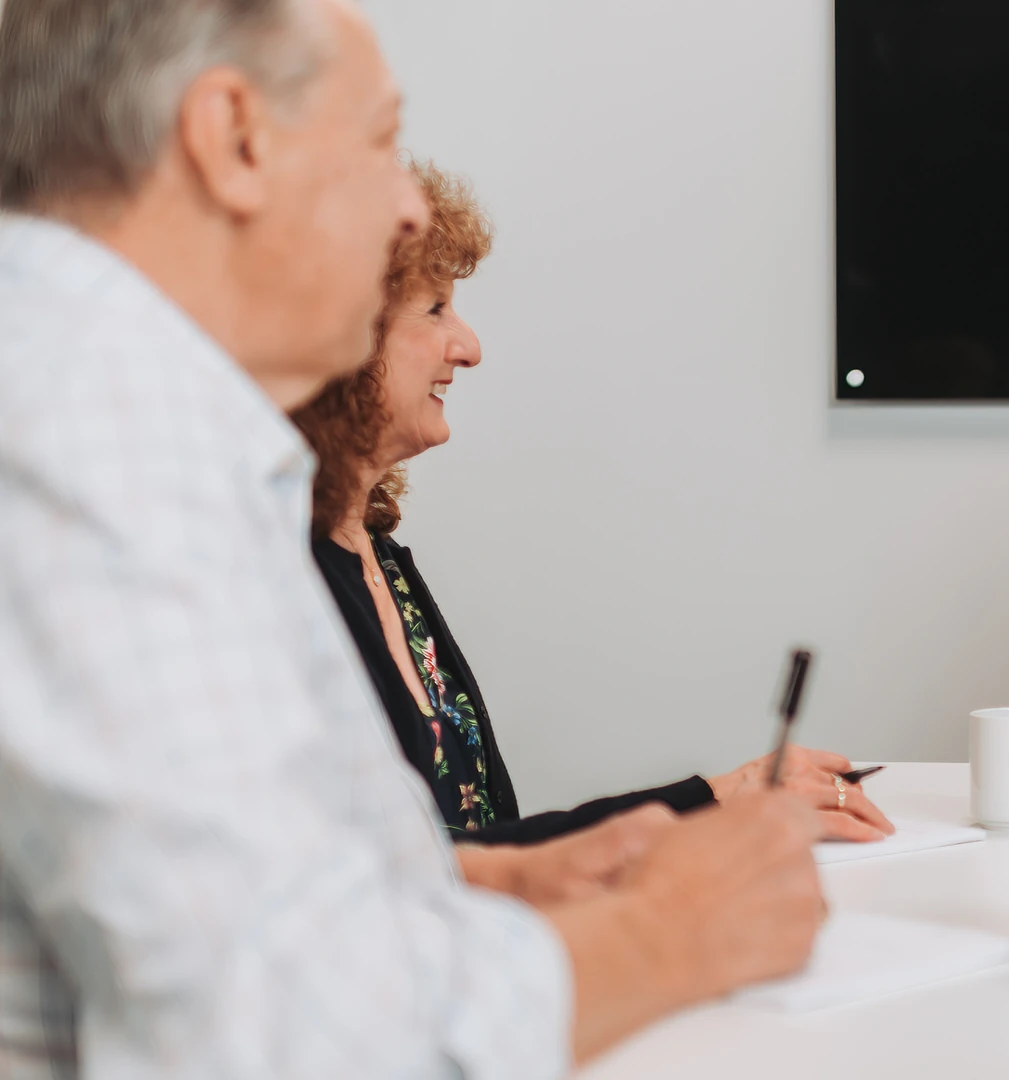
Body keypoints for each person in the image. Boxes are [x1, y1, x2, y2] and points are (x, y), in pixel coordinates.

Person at [0, 1, 824, 1075]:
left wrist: (494, 883)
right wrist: (667, 934)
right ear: (233, 138)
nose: (405, 209)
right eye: (382, 140)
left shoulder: (142, 419)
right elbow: (276, 1041)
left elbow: (278, 881)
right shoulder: (90, 437)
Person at [288, 160, 894, 853]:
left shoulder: (381, 562)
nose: (471, 346)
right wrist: (712, 804)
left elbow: (489, 845)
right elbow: (420, 871)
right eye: (435, 309)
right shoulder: (284, 581)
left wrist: (727, 794)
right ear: (339, 334)